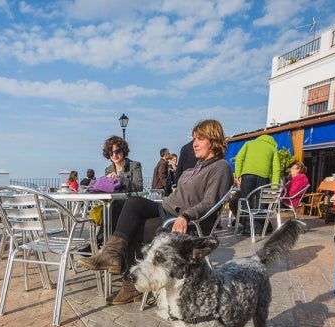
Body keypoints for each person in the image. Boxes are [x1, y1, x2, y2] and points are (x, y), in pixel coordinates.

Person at [78, 119, 233, 305]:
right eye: (194, 139)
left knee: (138, 226)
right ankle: (112, 254)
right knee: (131, 204)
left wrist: (186, 215)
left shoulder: (220, 167)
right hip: (167, 208)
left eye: (200, 138)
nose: (194, 143)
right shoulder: (195, 168)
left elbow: (210, 202)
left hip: (185, 221)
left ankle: (130, 284)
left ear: (213, 140)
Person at [227, 134, 281, 234]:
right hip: (263, 178)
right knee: (261, 204)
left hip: (247, 176)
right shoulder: (273, 149)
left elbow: (239, 159)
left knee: (246, 202)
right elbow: (276, 169)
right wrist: (274, 188)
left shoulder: (249, 144)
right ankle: (259, 229)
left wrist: (238, 175)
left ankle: (247, 229)